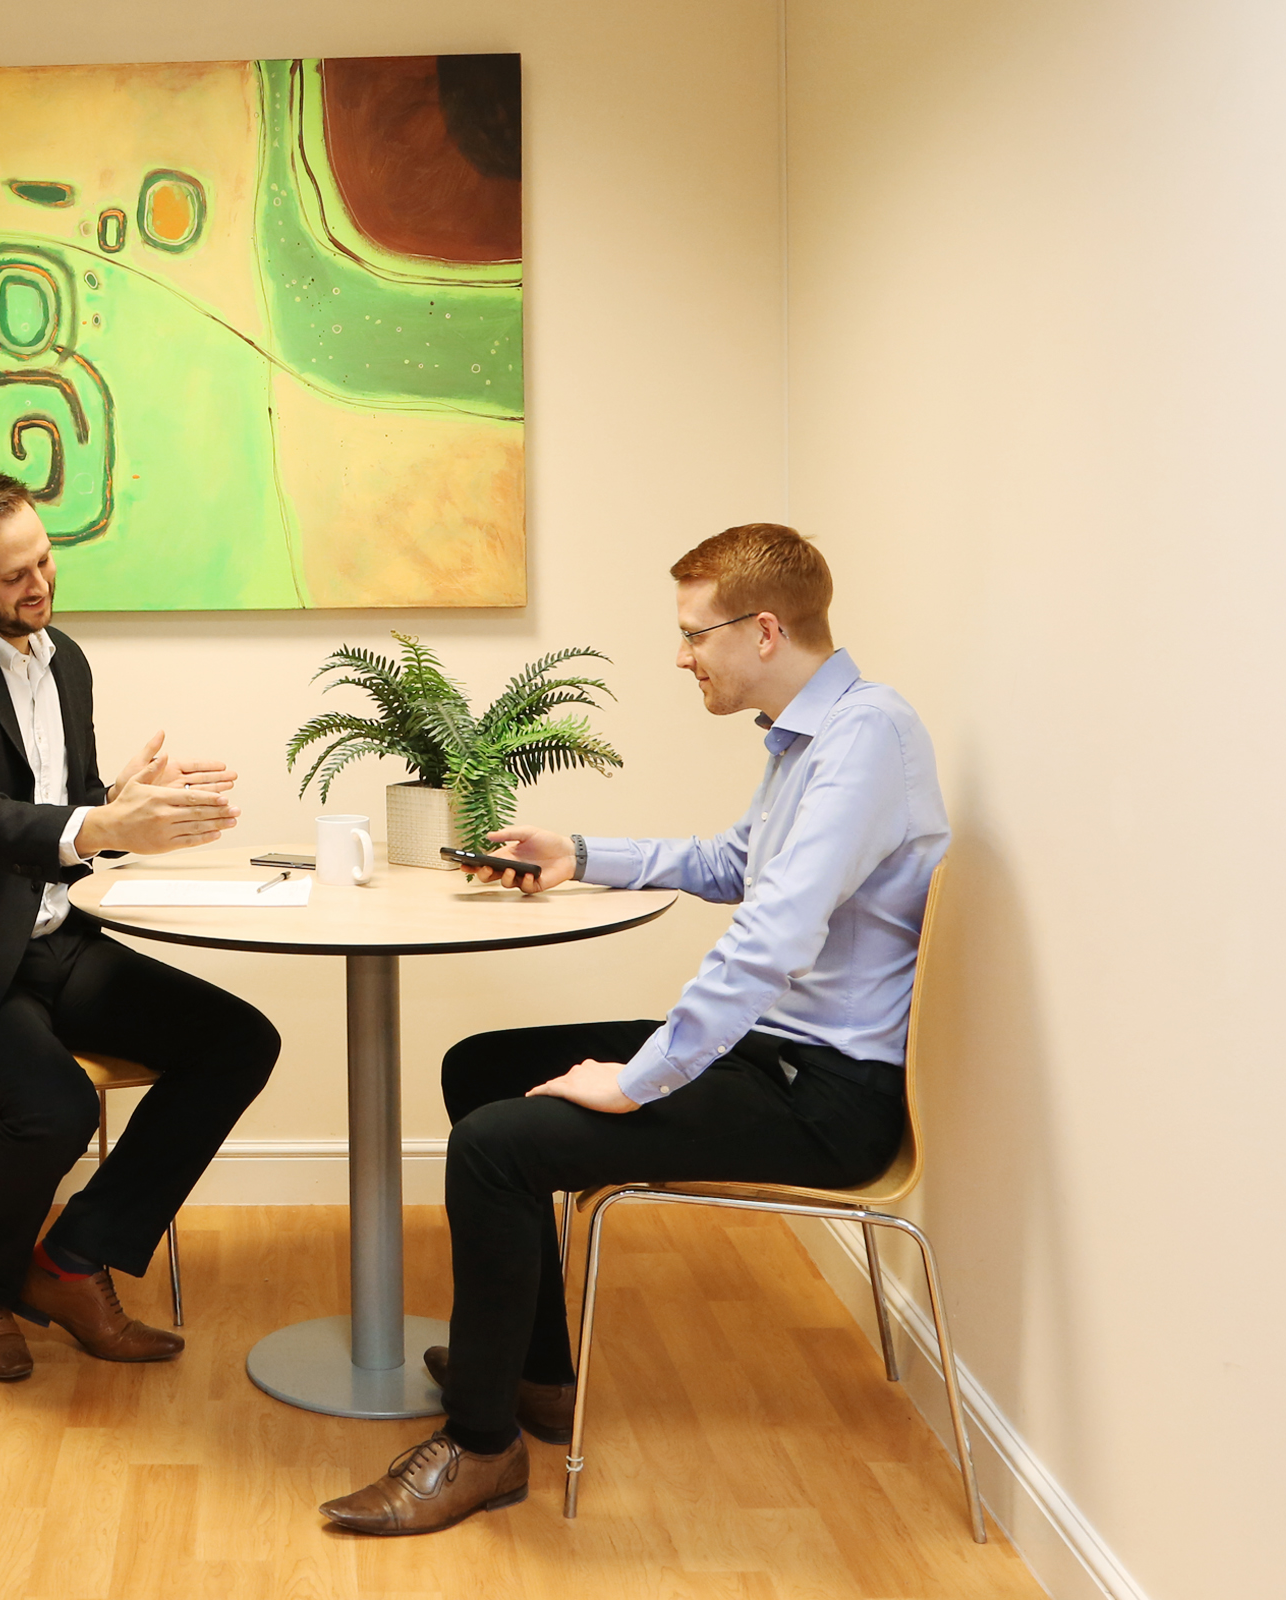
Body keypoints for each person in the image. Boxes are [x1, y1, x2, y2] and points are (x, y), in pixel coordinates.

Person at [319, 523, 947, 1534]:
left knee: (493, 1148)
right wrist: (581, 852)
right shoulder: (812, 742)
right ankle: (534, 1378)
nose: (682, 655)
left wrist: (639, 1079)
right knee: (482, 1069)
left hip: (827, 1097)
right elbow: (732, 866)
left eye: (696, 634)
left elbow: (770, 941)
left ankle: (483, 1450)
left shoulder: (866, 740)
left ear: (765, 630)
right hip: (779, 1056)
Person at [0, 470, 281, 1383]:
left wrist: (115, 805)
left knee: (237, 1041)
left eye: (45, 560)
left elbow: (58, 814)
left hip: (53, 939)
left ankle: (70, 1262)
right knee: (55, 1104)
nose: (39, 586)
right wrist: (101, 824)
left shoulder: (67, 661)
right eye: (13, 574)